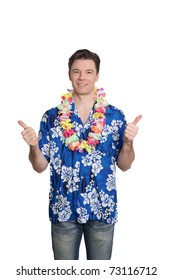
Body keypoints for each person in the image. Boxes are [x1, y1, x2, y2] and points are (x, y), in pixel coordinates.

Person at [18, 49, 142, 260]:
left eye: (88, 72)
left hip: (102, 208)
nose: (82, 77)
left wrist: (129, 143)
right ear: (69, 74)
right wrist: (33, 147)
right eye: (76, 71)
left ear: (97, 75)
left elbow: (125, 165)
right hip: (63, 208)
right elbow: (39, 166)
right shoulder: (52, 116)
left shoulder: (114, 116)